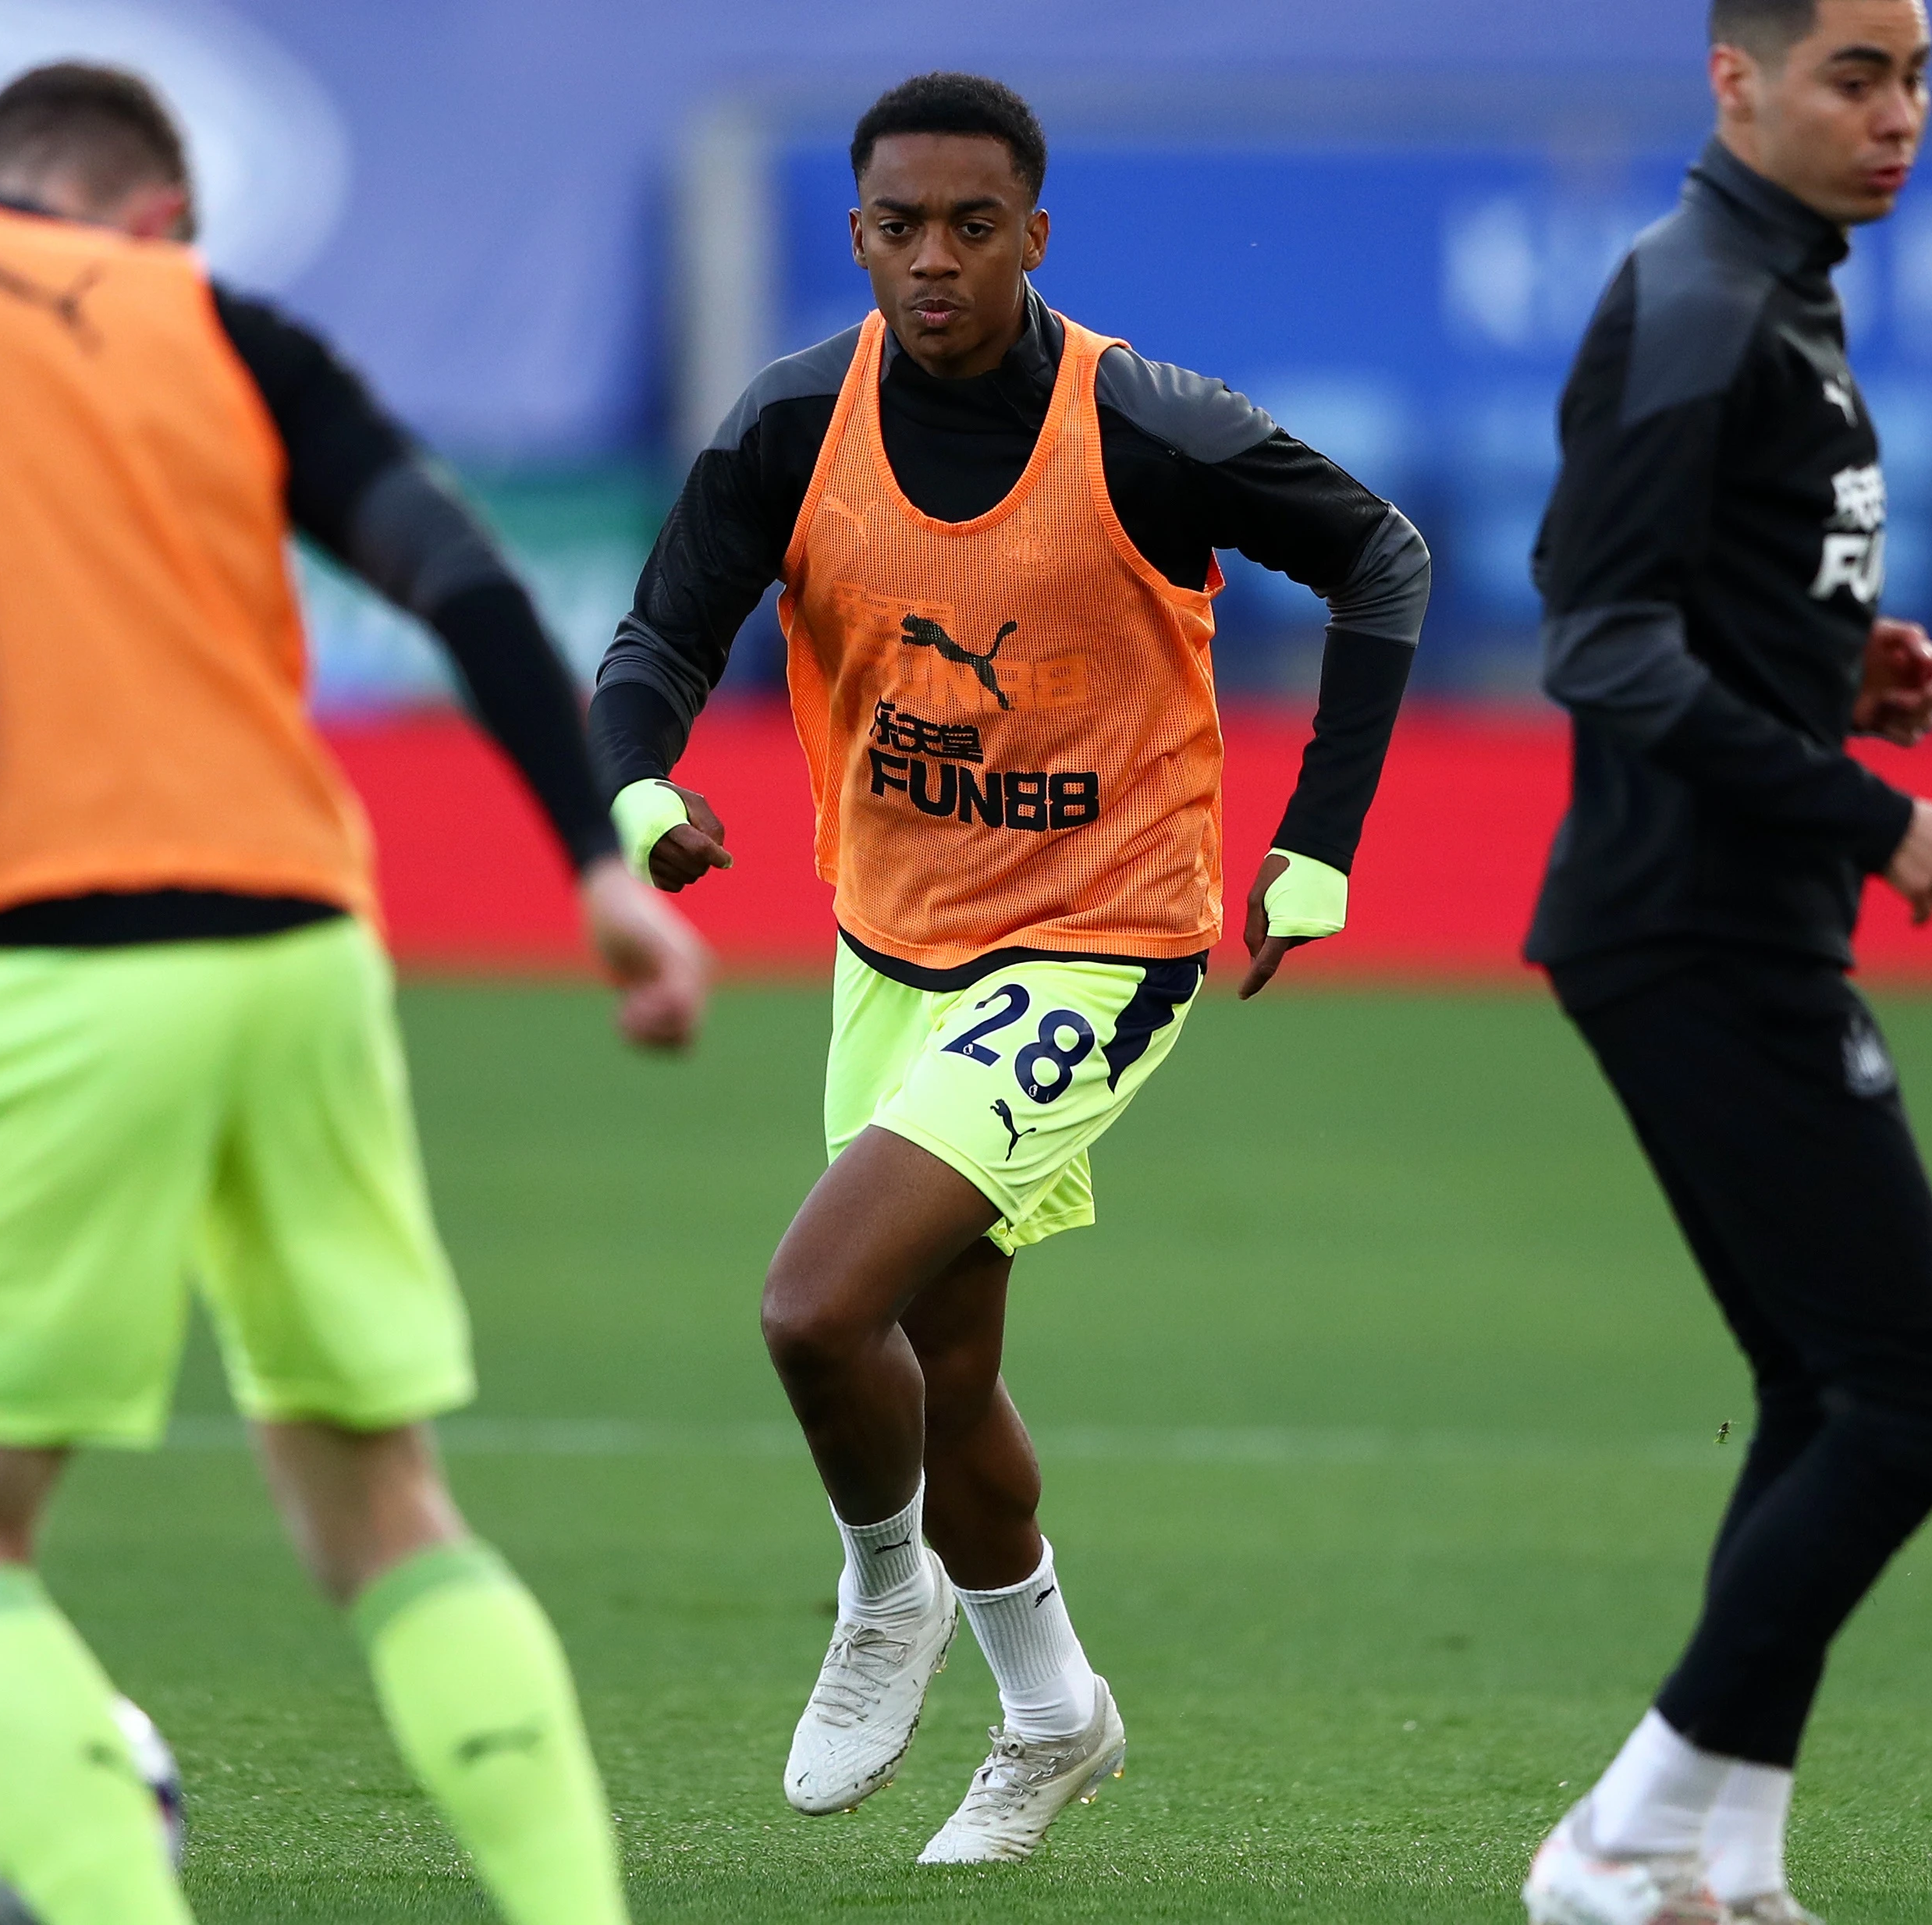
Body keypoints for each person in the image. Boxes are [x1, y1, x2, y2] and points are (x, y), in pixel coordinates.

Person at [0, 63, 709, 1925]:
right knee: (386, 1508)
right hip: (301, 945)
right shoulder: (221, 326)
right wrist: (597, 872)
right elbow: (457, 575)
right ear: (154, 219)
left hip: (41, 949)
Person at [593, 72, 1433, 1866]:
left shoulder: (1142, 421)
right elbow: (662, 631)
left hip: (1101, 940)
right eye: (900, 227)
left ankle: (880, 1590)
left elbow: (1377, 553)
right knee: (942, 1371)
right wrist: (641, 782)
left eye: (974, 226)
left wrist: (1319, 843)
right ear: (856, 238)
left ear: (1033, 235)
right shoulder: (790, 421)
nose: (935, 261)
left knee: (818, 1310)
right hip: (891, 945)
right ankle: (1053, 1717)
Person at [1514, 5, 1932, 1923]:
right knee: (1906, 1400)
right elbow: (1597, 639)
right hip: (1688, 925)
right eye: (1852, 76)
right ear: (1737, 81)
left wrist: (1834, 661)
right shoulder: (1699, 291)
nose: (1895, 114)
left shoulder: (1774, 282)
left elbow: (1694, 604)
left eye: (1912, 76)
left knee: (1819, 1394)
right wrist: (1863, 815)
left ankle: (1720, 1865)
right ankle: (1619, 1837)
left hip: (1717, 913)